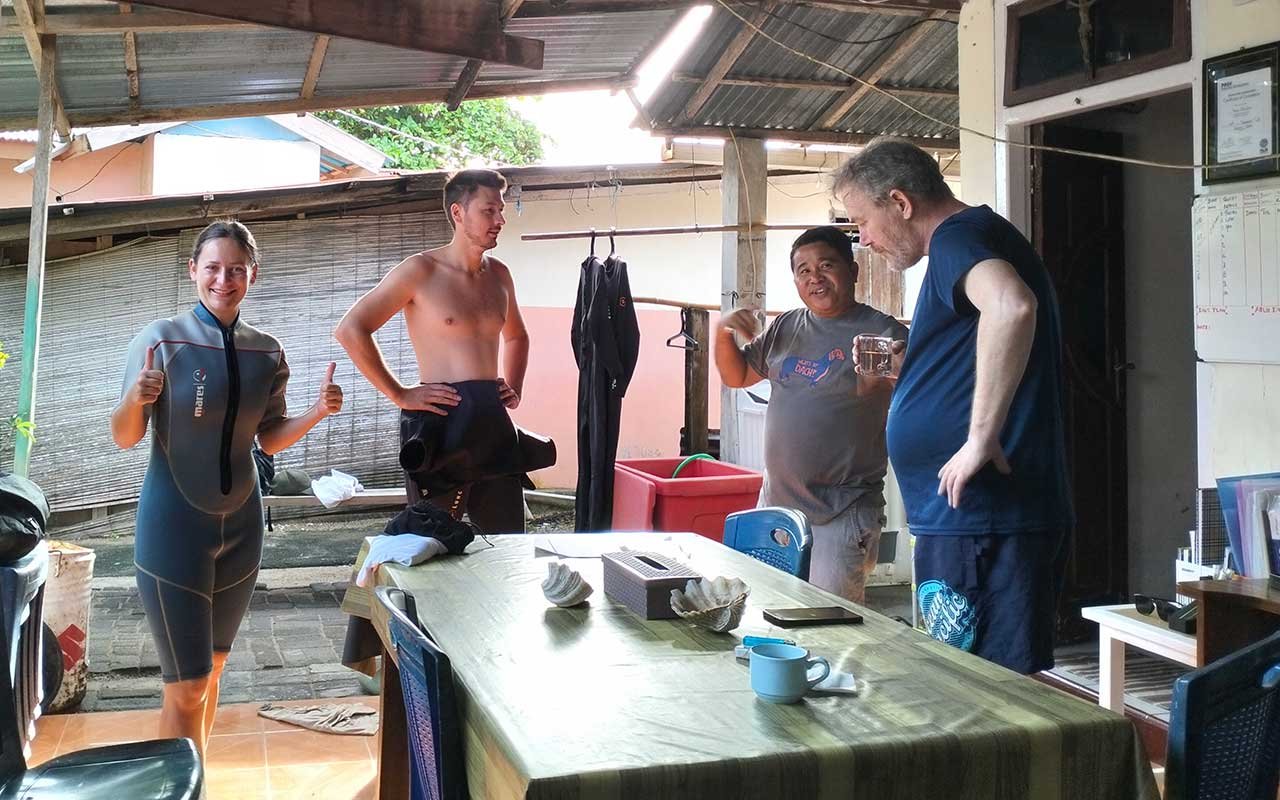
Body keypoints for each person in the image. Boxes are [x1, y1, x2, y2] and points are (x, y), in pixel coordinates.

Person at [835, 138, 1073, 674]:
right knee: (964, 681)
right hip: (968, 518)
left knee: (982, 690)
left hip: (983, 518)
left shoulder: (957, 238)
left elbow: (1011, 308)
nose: (864, 240)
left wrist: (979, 439)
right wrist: (913, 367)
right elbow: (979, 346)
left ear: (900, 203)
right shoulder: (970, 239)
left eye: (863, 221)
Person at [110, 220, 343, 754]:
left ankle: (194, 784)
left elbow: (271, 440)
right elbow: (124, 437)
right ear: (193, 271)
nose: (223, 279)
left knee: (211, 673)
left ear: (252, 275)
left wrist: (316, 411)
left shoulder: (266, 351)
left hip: (242, 527)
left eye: (235, 269)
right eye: (212, 268)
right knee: (186, 684)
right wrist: (135, 401)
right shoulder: (160, 339)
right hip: (174, 526)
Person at [715, 226, 907, 604]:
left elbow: (899, 392)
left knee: (829, 622)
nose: (814, 277)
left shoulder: (883, 332)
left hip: (842, 508)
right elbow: (737, 375)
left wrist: (882, 379)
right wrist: (723, 332)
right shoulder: (787, 325)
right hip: (777, 502)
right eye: (803, 270)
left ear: (852, 271)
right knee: (766, 606)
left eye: (826, 265)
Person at [334, 168, 531, 532]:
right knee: (430, 541)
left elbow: (517, 336)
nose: (500, 219)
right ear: (458, 213)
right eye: (489, 210)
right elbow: (351, 329)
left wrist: (514, 386)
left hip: (491, 419)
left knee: (508, 542)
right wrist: (400, 393)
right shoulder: (420, 270)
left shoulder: (500, 275)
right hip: (441, 419)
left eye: (501, 210)